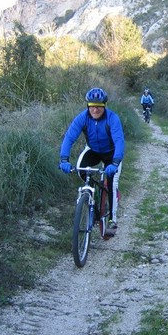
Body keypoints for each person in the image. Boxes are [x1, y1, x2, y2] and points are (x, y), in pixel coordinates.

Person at [59, 87, 125, 235]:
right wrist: (64, 159)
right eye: (92, 106)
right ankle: (92, 195)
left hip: (111, 153)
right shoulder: (82, 118)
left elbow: (119, 141)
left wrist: (115, 163)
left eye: (99, 106)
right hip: (93, 150)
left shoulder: (112, 119)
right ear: (88, 106)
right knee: (81, 170)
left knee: (112, 182)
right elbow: (69, 137)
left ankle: (111, 221)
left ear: (104, 106)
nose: (95, 110)